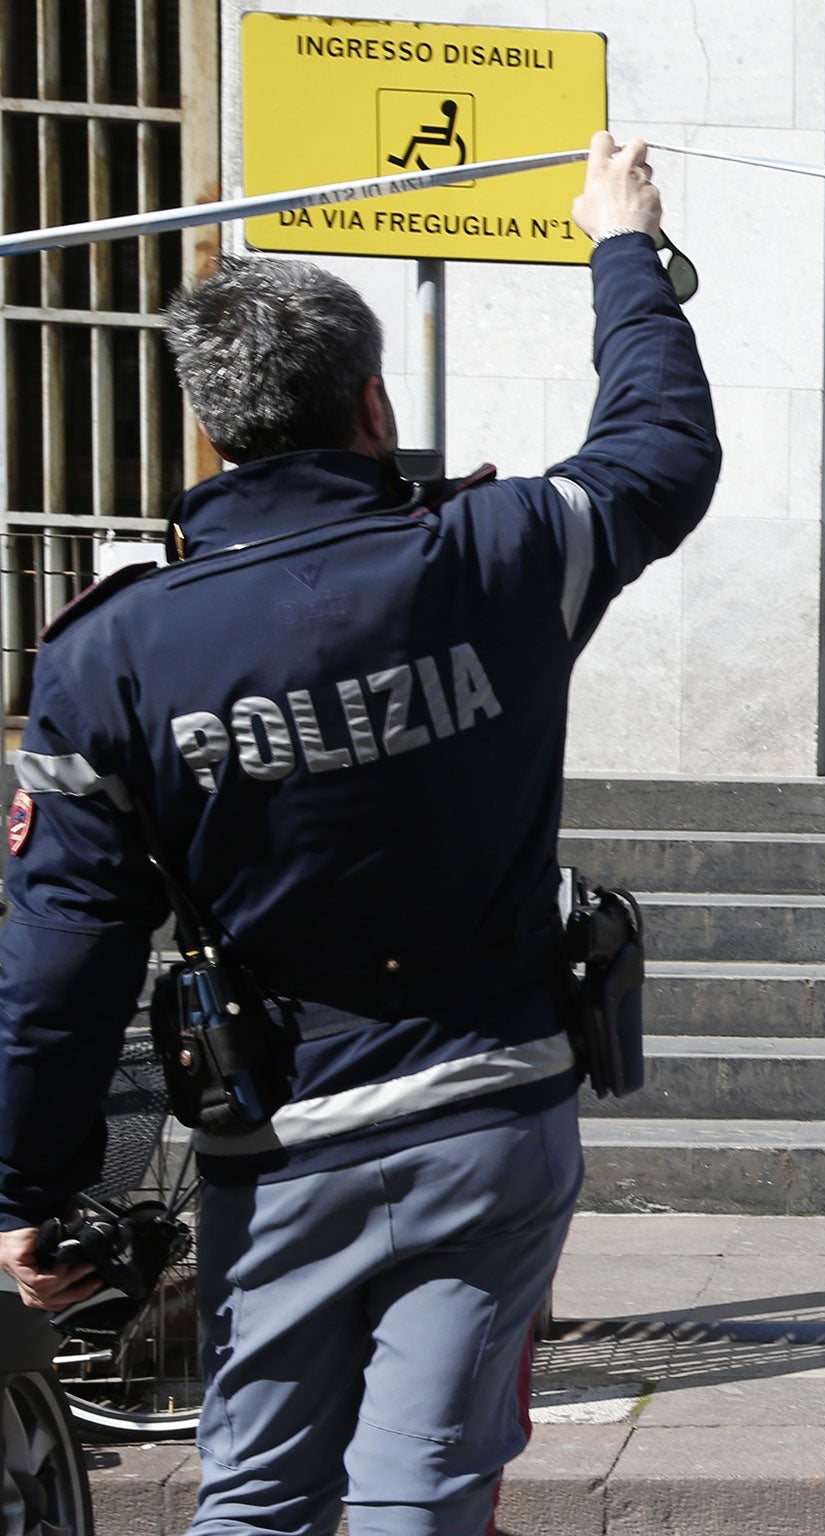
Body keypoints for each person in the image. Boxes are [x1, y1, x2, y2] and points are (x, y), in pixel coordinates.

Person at [0, 132, 719, 1534]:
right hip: (490, 1114)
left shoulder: (112, 659)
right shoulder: (499, 554)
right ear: (375, 404)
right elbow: (661, 447)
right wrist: (621, 241)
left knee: (257, 1493)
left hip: (279, 1146)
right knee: (423, 1495)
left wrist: (27, 1186)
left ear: (211, 432)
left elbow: (60, 960)